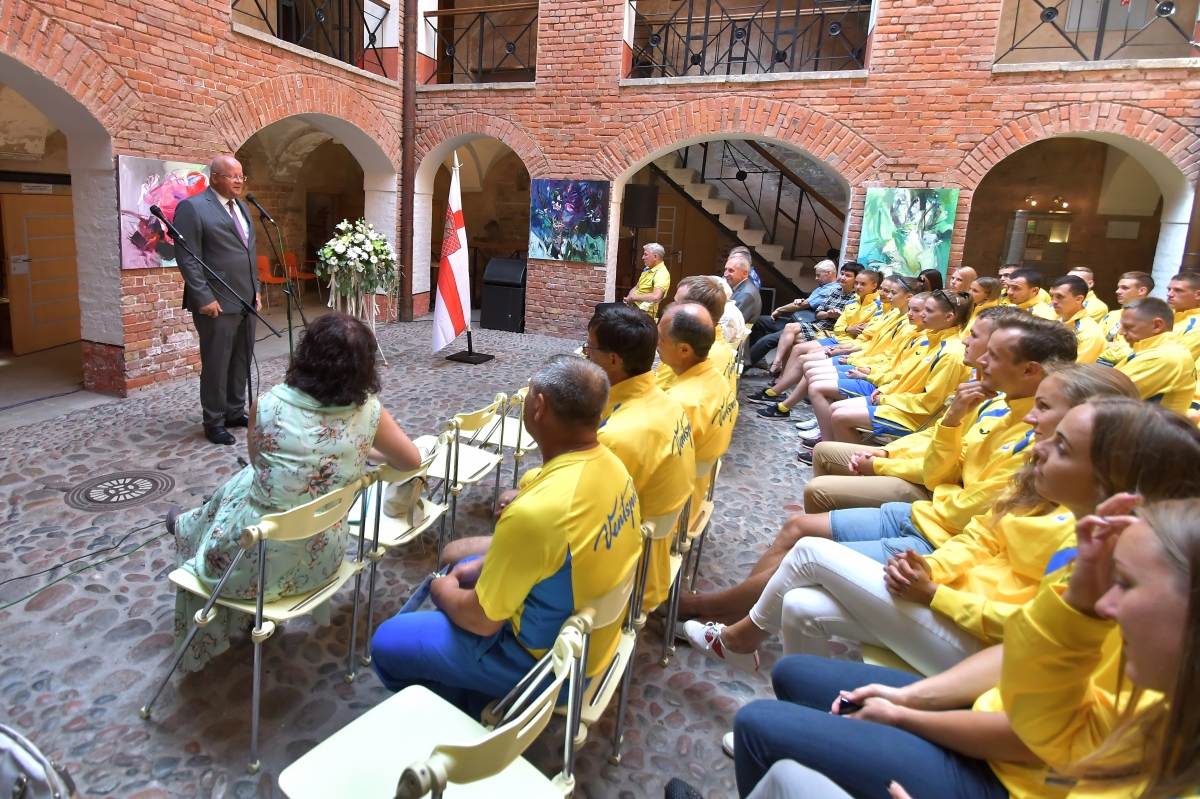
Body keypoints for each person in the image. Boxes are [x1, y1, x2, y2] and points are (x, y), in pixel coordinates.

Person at [728, 400, 1200, 799]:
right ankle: (801, 720)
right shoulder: (1096, 551)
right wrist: (910, 695)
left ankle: (737, 637)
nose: (1038, 436)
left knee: (766, 723)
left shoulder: (1103, 568)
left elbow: (1034, 734)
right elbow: (986, 554)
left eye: (1061, 443)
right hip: (982, 665)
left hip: (1002, 749)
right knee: (796, 647)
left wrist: (908, 714)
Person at [685, 371, 1144, 678]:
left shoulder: (1096, 535)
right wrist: (932, 572)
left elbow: (1035, 627)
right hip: (943, 565)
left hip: (975, 626)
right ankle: (798, 711)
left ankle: (732, 632)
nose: (1032, 420)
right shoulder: (1032, 459)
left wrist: (935, 591)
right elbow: (980, 535)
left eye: (1046, 410)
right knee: (802, 599)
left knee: (808, 551)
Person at [678, 314, 1078, 627]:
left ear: (1030, 371)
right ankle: (745, 604)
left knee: (808, 535)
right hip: (929, 507)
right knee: (800, 523)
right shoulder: (995, 402)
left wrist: (887, 462)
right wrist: (903, 447)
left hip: (935, 519)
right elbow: (939, 456)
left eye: (992, 352)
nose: (981, 356)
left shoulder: (1036, 440)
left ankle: (735, 613)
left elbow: (959, 503)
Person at [371, 356, 642, 716]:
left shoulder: (536, 512)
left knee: (386, 642)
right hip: (591, 639)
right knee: (468, 566)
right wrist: (483, 564)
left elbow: (481, 620)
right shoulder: (615, 466)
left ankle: (465, 708)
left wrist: (441, 590)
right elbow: (555, 556)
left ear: (539, 407)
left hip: (545, 666)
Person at [168, 313, 422, 671]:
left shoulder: (267, 405)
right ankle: (190, 522)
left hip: (248, 567)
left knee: (244, 485)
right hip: (322, 560)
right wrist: (361, 448)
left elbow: (258, 465)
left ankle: (188, 525)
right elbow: (411, 461)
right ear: (363, 367)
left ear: (306, 354)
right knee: (245, 486)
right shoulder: (369, 412)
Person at [1002, 496, 1200, 799]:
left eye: (1125, 583)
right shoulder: (1168, 715)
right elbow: (1060, 731)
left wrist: (939, 596)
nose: (1103, 605)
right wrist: (1078, 606)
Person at [801, 306, 1027, 510]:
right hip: (912, 431)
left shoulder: (954, 356)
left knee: (837, 416)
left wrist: (882, 464)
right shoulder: (939, 349)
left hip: (915, 427)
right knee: (825, 443)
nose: (966, 340)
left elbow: (932, 416)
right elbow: (899, 372)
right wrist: (888, 451)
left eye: (926, 310)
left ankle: (848, 497)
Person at [582, 304, 695, 610]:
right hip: (656, 551)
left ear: (614, 360)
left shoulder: (618, 437)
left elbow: (585, 520)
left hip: (625, 578)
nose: (587, 356)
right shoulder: (669, 404)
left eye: (590, 349)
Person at [173, 154, 262, 446]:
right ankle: (213, 420)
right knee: (217, 362)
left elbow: (249, 253)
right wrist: (203, 297)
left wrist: (256, 290)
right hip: (217, 300)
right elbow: (188, 257)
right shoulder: (193, 207)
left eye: (241, 176)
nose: (239, 181)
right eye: (232, 176)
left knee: (241, 358)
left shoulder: (243, 207)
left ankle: (234, 410)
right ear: (215, 177)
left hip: (245, 298)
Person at [825, 290, 975, 443]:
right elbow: (905, 377)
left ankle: (842, 454)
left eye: (929, 311)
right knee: (835, 410)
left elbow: (930, 404)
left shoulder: (951, 353)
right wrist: (885, 390)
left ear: (948, 317)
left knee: (839, 416)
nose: (922, 314)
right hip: (898, 401)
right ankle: (839, 448)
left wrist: (885, 398)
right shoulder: (931, 341)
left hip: (915, 418)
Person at [659, 302, 739, 511]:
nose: (656, 344)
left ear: (684, 350)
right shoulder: (718, 380)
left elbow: (658, 469)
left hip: (676, 509)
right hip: (698, 489)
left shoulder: (680, 403)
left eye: (661, 339)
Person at [1113, 297, 1197, 414]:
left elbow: (1104, 395)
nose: (1122, 332)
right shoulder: (1164, 350)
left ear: (1157, 326)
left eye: (1129, 327)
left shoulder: (1163, 356)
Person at [748, 259, 839, 367]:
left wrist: (780, 309)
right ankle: (757, 360)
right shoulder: (823, 287)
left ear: (828, 273)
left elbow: (804, 305)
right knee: (759, 322)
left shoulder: (832, 289)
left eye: (818, 275)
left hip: (807, 326)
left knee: (767, 340)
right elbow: (806, 302)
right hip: (796, 321)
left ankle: (742, 366)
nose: (816, 278)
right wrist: (800, 301)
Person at [659, 275, 738, 390]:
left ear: (694, 312)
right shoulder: (720, 344)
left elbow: (661, 394)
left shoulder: (688, 353)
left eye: (676, 303)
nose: (671, 308)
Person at [1098, 270, 1153, 362]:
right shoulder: (1112, 314)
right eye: (1118, 287)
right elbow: (1093, 340)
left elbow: (1131, 353)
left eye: (1125, 288)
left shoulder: (1149, 319)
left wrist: (1101, 347)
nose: (1117, 291)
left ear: (1142, 291)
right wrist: (1106, 345)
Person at [1048, 274, 1105, 362]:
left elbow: (1075, 368)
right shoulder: (1049, 316)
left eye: (1060, 296)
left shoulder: (1090, 333)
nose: (1053, 301)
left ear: (1079, 299)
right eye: (1052, 296)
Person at [625, 242, 671, 317]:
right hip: (634, 306)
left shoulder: (661, 273)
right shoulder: (647, 269)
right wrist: (628, 299)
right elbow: (637, 287)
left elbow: (655, 297)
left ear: (655, 256)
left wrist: (633, 298)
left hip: (644, 312)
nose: (643, 257)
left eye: (646, 255)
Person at [1165, 270, 1200, 360]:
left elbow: (1174, 360)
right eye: (1169, 289)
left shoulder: (1197, 326)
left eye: (1178, 290)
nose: (1169, 294)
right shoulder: (1162, 314)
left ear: (1198, 295)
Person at [725, 250, 763, 323]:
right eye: (725, 269)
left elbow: (732, 323)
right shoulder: (742, 287)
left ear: (744, 273)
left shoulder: (747, 294)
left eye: (731, 271)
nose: (725, 274)